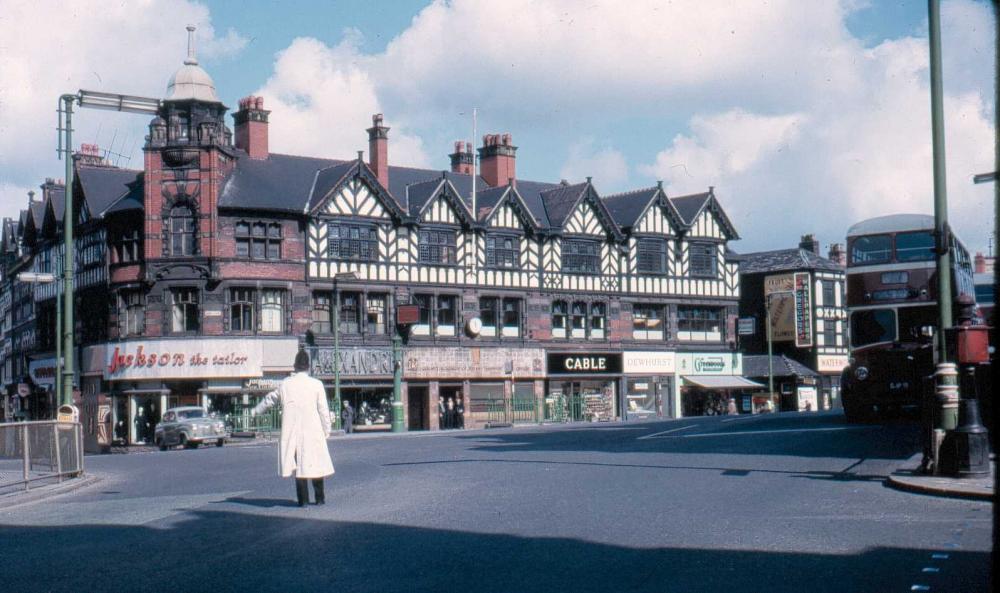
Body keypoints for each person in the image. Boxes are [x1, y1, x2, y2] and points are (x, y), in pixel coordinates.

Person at [253, 349, 334, 507]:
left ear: (295, 367)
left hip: (293, 432)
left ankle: (302, 500)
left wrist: (256, 410)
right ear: (308, 367)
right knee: (315, 464)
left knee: (299, 467)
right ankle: (319, 498)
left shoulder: (285, 384)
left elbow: (270, 399)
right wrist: (327, 429)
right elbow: (323, 410)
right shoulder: (316, 384)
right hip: (313, 431)